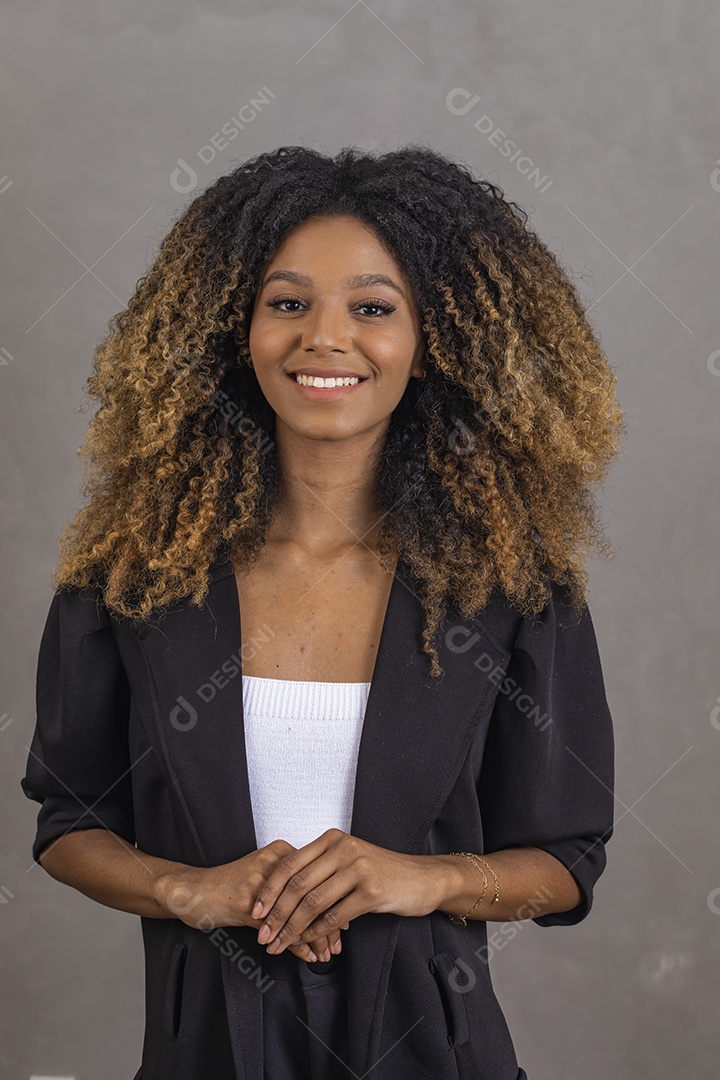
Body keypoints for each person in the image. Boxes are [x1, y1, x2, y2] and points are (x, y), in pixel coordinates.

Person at [21, 144, 623, 1079]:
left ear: (433, 344)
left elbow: (565, 856)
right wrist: (189, 890)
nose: (324, 339)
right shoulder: (133, 579)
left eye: (373, 308)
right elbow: (68, 821)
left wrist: (420, 880)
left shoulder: (510, 592)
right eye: (288, 303)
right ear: (236, 329)